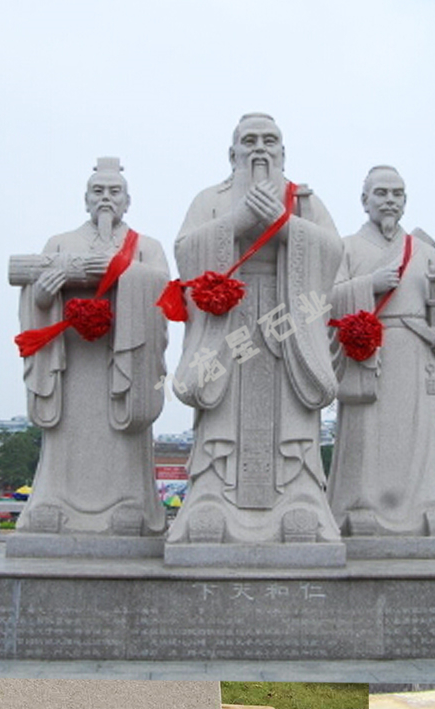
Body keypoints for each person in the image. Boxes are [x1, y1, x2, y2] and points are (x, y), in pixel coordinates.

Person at [166, 114, 343, 545]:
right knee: (222, 415)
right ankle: (212, 496)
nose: (260, 148)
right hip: (228, 322)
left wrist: (285, 224)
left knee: (290, 418)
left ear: (283, 152)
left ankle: (299, 497)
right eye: (249, 141)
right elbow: (186, 252)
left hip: (289, 324)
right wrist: (239, 219)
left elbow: (332, 253)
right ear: (233, 154)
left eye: (269, 140)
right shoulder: (209, 199)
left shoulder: (304, 201)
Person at [11, 158, 168, 535]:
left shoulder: (146, 247)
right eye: (98, 192)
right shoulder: (60, 244)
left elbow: (164, 295)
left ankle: (129, 502)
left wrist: (124, 274)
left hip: (122, 363)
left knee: (122, 433)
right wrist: (43, 294)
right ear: (85, 200)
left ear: (127, 201)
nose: (106, 199)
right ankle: (55, 501)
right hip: (72, 364)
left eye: (115, 192)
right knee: (68, 433)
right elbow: (35, 297)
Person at [327, 166, 435, 536]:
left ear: (405, 201)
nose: (390, 200)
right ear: (365, 200)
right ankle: (360, 505)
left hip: (417, 353)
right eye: (382, 193)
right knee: (366, 434)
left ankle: (427, 506)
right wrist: (368, 284)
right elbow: (327, 300)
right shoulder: (346, 248)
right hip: (368, 354)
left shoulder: (424, 252)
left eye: (397, 194)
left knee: (418, 435)